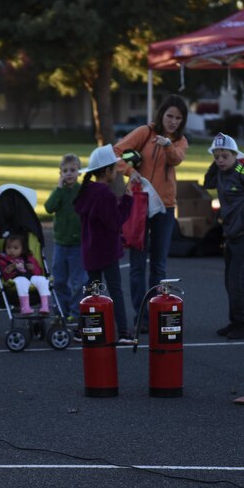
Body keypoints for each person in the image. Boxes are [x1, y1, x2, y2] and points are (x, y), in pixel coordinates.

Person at [113, 95, 189, 330]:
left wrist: (167, 146)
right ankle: (140, 314)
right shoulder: (145, 132)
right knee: (137, 263)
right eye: (170, 116)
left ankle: (156, 310)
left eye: (178, 118)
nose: (173, 121)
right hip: (138, 203)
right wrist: (129, 170)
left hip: (165, 206)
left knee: (158, 264)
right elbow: (115, 151)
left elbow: (176, 160)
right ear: (161, 115)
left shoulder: (180, 141)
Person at [203, 133, 244, 340]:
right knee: (230, 281)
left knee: (238, 280)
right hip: (231, 233)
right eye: (216, 156)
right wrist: (215, 163)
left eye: (224, 156)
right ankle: (236, 320)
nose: (220, 160)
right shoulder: (219, 173)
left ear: (235, 155)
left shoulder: (242, 171)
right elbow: (207, 183)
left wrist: (242, 164)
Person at [75, 145, 137, 344]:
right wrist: (128, 198)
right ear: (107, 170)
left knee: (92, 291)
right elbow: (116, 220)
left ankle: (82, 328)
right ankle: (124, 333)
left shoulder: (88, 190)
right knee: (115, 290)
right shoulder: (105, 194)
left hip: (91, 249)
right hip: (107, 250)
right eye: (114, 168)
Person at [44, 153, 88, 323]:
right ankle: (61, 311)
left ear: (79, 172)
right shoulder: (60, 192)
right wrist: (59, 189)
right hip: (61, 244)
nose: (69, 173)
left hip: (78, 245)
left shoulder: (82, 191)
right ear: (60, 173)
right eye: (65, 170)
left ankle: (75, 312)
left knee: (79, 282)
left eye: (73, 170)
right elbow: (49, 208)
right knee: (60, 281)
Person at [0, 234, 51, 315]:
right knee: (22, 281)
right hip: (15, 279)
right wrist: (8, 270)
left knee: (42, 280)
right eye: (8, 248)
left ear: (22, 249)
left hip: (30, 277)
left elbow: (39, 272)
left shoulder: (28, 258)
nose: (11, 250)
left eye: (15, 248)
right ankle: (25, 307)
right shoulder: (4, 260)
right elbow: (4, 276)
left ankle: (45, 306)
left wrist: (33, 268)